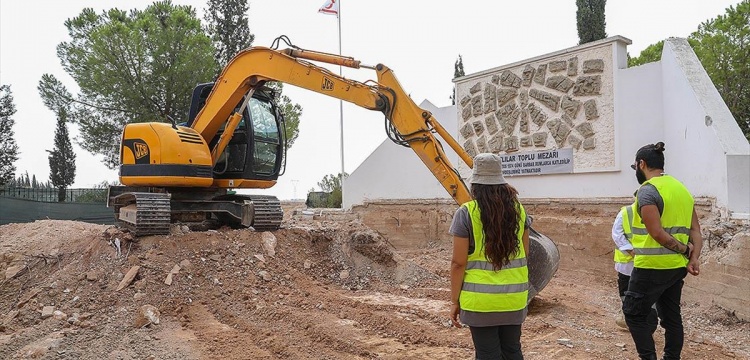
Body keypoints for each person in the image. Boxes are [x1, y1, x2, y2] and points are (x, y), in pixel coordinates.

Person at [623, 142, 703, 360]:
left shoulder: (648, 191)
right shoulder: (682, 190)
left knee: (633, 313)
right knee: (671, 317)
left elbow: (657, 233)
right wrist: (693, 257)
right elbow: (695, 229)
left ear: (642, 164)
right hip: (676, 268)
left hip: (651, 268)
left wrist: (685, 249)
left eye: (636, 167)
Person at [449, 153, 530, 360]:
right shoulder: (519, 211)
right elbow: (525, 253)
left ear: (475, 184)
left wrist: (454, 301)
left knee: (487, 354)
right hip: (514, 297)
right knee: (512, 350)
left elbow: (458, 263)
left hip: (480, 302)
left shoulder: (466, 213)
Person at [612, 199, 636, 328]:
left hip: (645, 261)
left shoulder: (654, 211)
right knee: (626, 289)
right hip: (627, 262)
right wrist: (631, 251)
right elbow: (617, 234)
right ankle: (626, 314)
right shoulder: (626, 213)